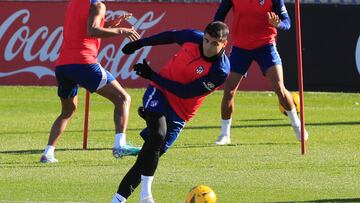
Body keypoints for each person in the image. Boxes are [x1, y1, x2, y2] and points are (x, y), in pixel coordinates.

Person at [111, 21, 230, 203]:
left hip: (181, 112)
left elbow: (185, 91)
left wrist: (151, 75)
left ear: (224, 44)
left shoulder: (220, 70)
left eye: (214, 43)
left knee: (147, 156)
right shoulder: (193, 38)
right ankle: (146, 196)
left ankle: (117, 200)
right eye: (206, 40)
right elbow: (171, 35)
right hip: (159, 91)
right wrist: (140, 43)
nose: (208, 46)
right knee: (158, 135)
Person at [40, 0, 142, 163]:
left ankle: (48, 153)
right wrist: (121, 30)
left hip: (63, 65)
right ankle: (120, 145)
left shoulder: (74, 3)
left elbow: (84, 26)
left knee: (67, 111)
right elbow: (92, 30)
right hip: (83, 63)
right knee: (123, 99)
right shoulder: (98, 5)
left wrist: (108, 23)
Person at [213, 0, 309, 145]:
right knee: (229, 90)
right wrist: (218, 34)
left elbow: (287, 23)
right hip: (240, 48)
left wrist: (278, 25)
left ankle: (297, 125)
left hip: (266, 47)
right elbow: (219, 16)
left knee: (279, 88)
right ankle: (225, 134)